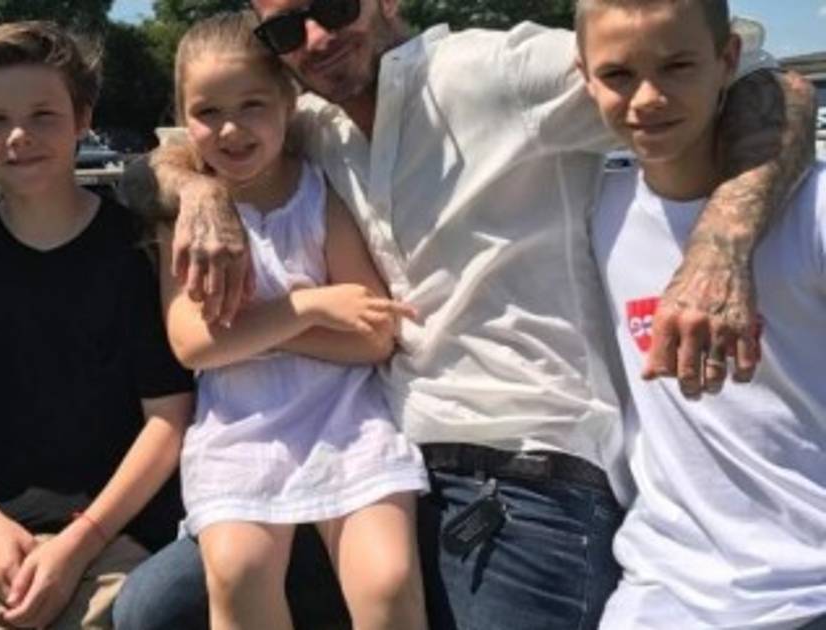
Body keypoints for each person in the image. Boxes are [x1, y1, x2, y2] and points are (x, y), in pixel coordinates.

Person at [113, 0, 819, 627]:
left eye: (336, 6)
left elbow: (767, 81)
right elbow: (161, 159)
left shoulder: (494, 73)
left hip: (523, 474)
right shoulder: (314, 126)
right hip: (385, 459)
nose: (318, 37)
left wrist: (721, 245)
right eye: (288, 28)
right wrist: (200, 195)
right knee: (155, 607)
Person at [0, 21, 194, 630]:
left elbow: (168, 418)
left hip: (120, 532)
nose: (20, 136)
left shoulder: (139, 251)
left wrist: (81, 542)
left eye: (43, 115)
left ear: (82, 118)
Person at [155, 13, 429, 630]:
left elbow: (373, 337)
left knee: (387, 579)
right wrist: (307, 308)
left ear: (288, 101)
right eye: (207, 112)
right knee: (238, 571)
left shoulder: (314, 192)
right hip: (241, 429)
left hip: (345, 420)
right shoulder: (188, 218)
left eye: (252, 104)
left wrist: (249, 335)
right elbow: (194, 343)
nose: (231, 128)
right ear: (183, 117)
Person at [576, 1, 826, 628]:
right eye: (618, 74)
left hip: (811, 588)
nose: (648, 98)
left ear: (728, 60)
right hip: (660, 589)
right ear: (584, 77)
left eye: (678, 66)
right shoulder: (594, 209)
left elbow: (787, 91)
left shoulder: (815, 208)